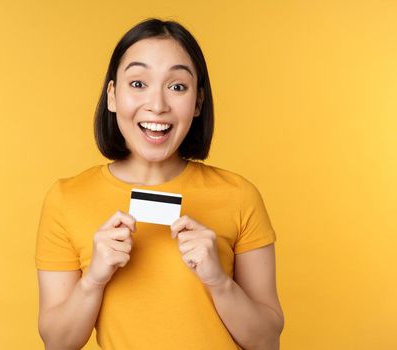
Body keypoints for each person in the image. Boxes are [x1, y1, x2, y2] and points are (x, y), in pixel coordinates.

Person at [35, 18, 284, 350]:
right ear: (112, 95)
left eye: (177, 86)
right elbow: (57, 343)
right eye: (138, 83)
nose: (157, 105)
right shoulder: (67, 199)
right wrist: (93, 280)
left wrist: (218, 281)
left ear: (197, 102)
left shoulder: (239, 196)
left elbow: (267, 341)